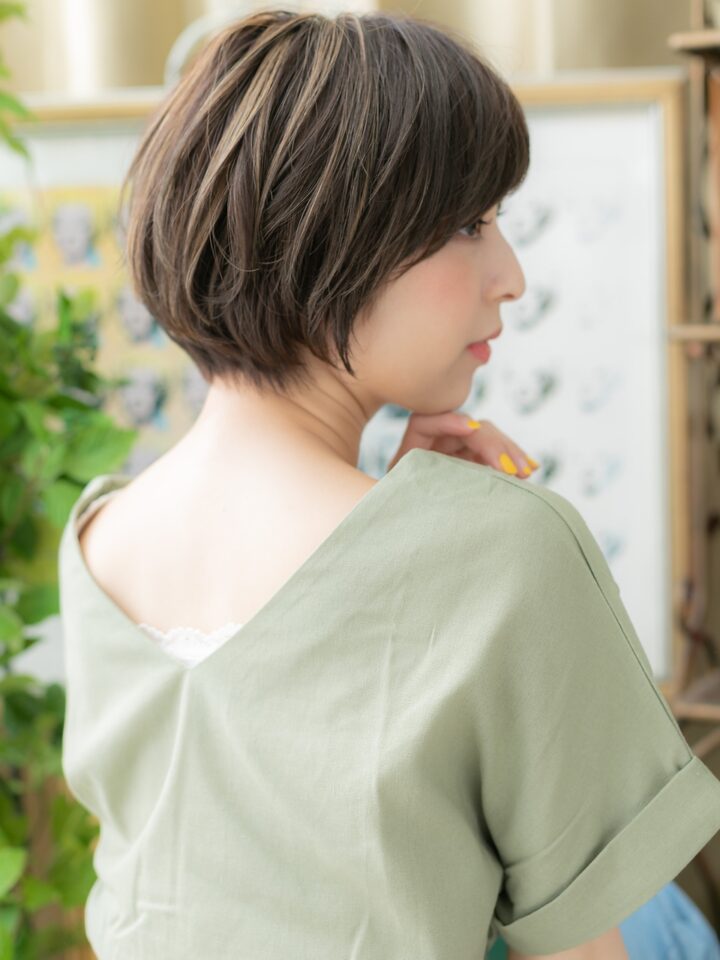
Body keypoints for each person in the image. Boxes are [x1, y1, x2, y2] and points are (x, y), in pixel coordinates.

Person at [58, 10, 720, 959]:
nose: (511, 277)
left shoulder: (98, 541)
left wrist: (403, 516)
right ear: (328, 236)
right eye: (469, 224)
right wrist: (446, 534)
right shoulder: (508, 552)